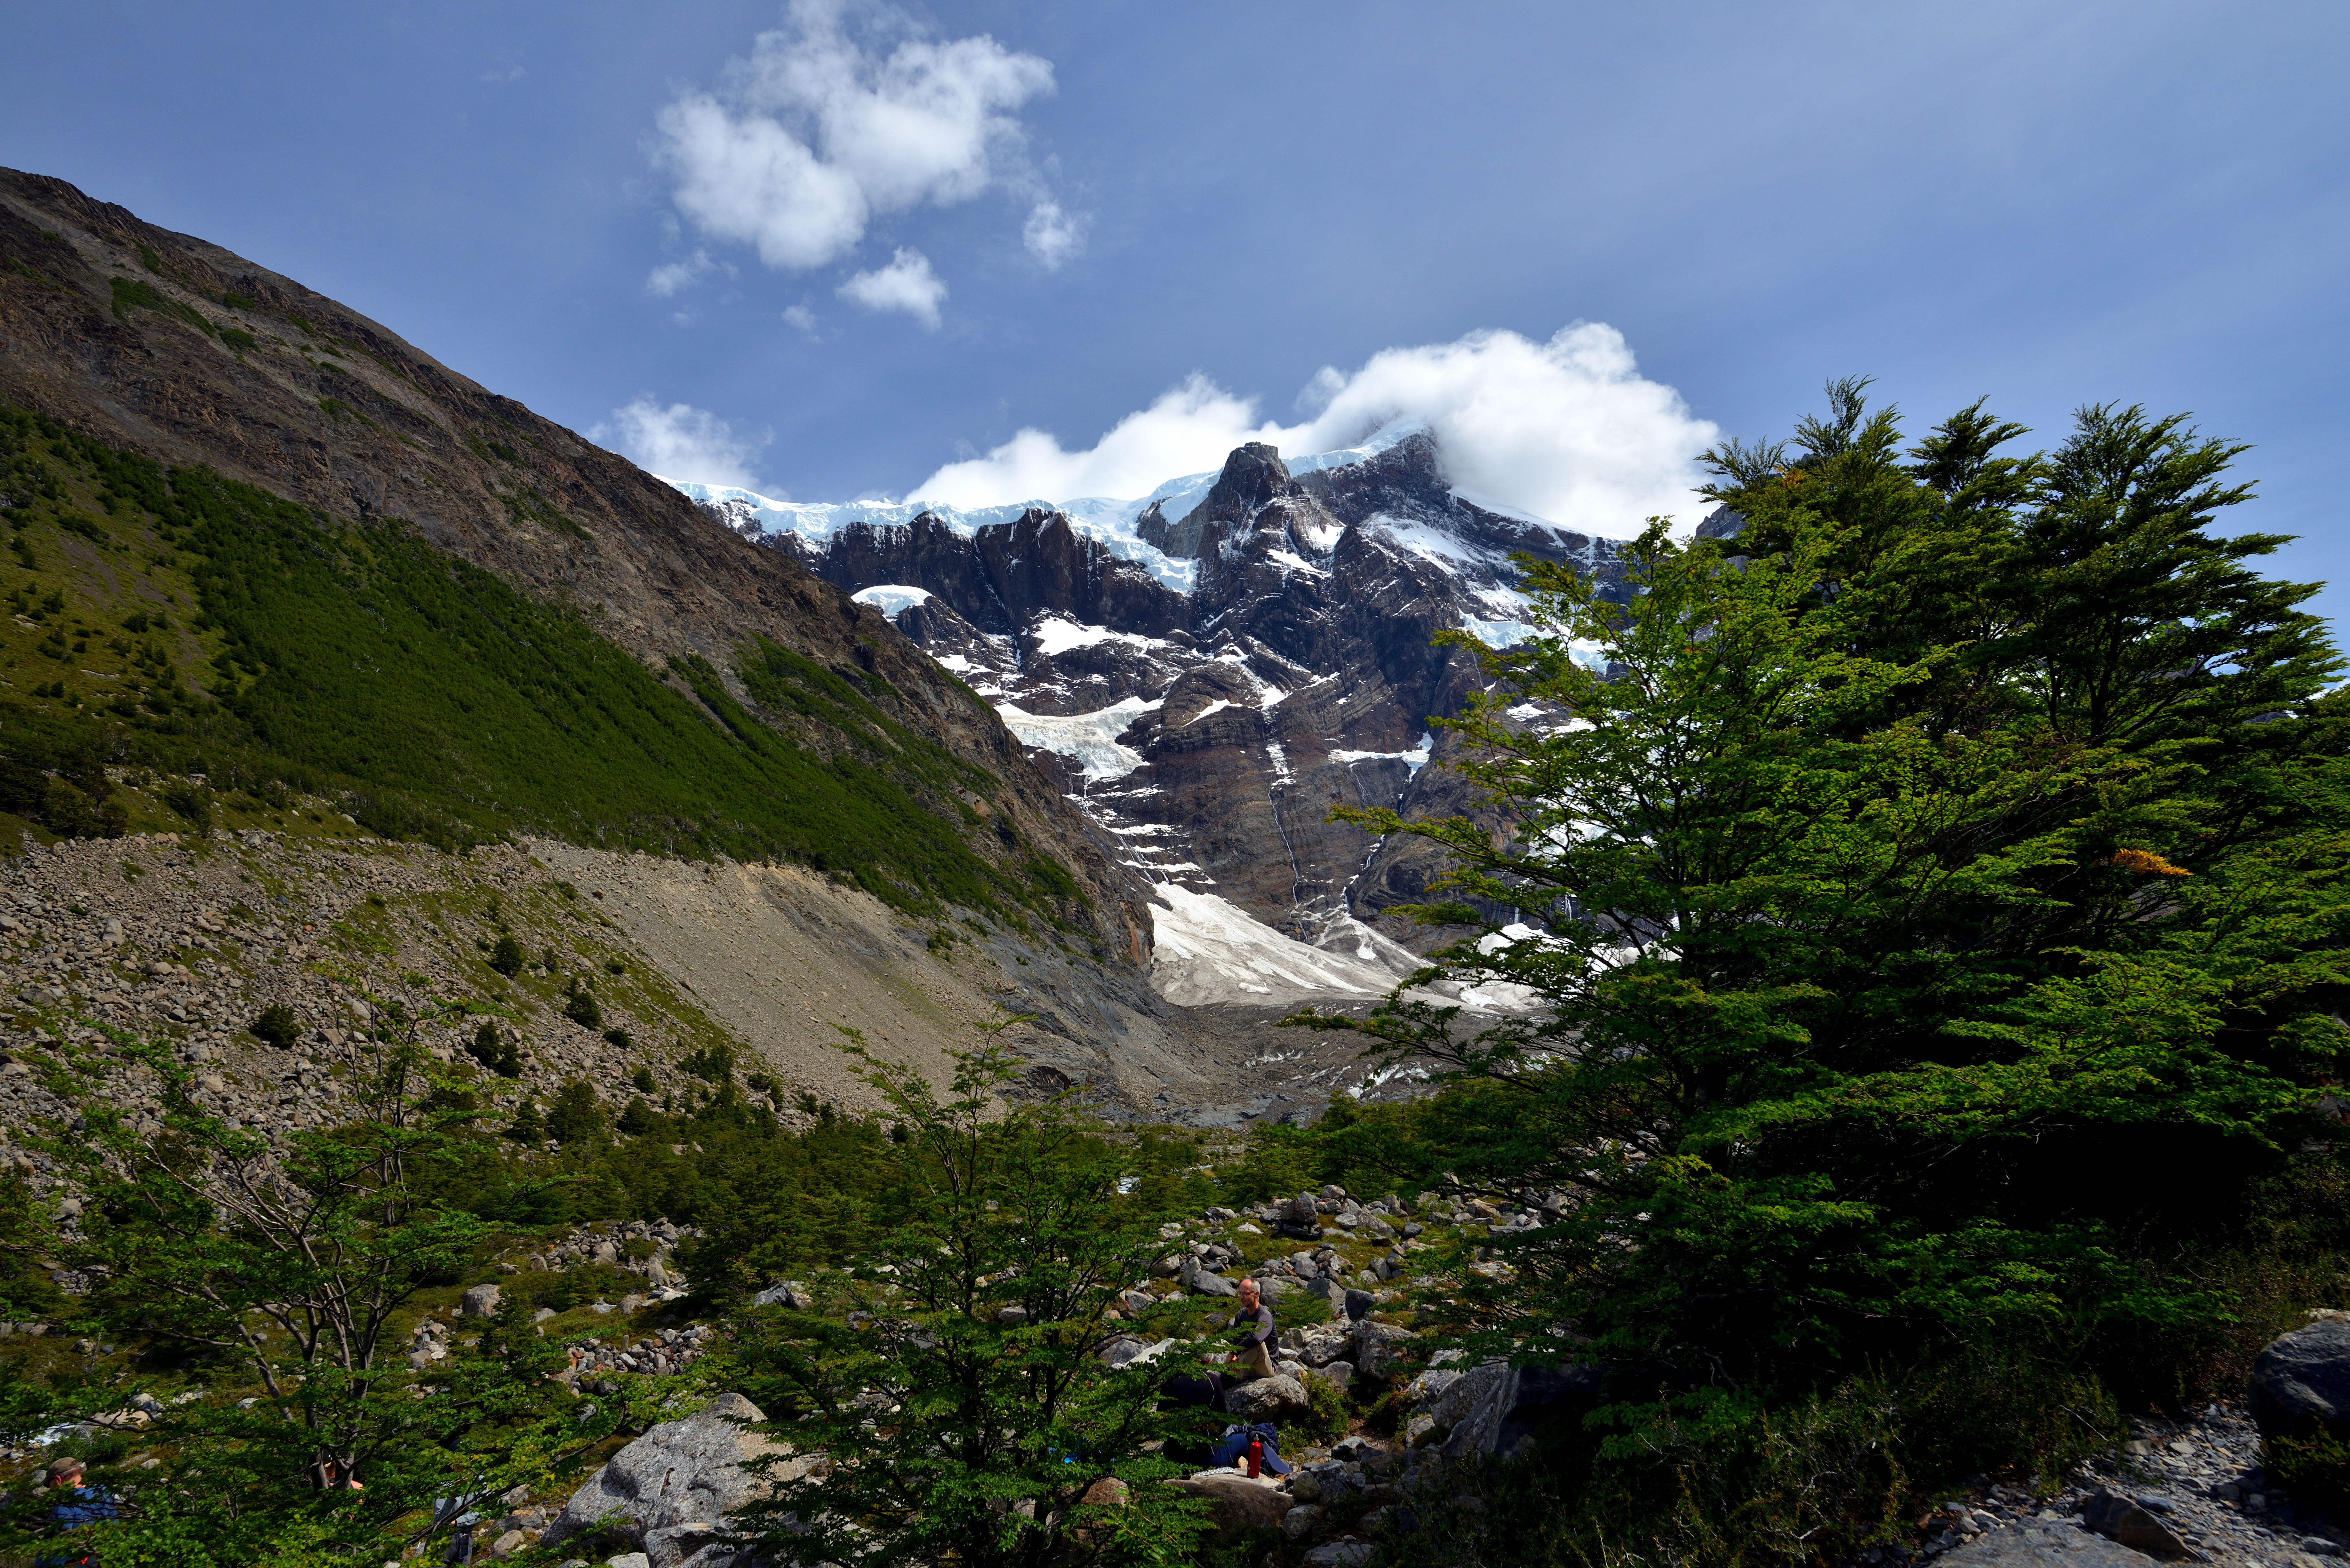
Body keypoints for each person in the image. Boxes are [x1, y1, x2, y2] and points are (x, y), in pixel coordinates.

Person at [36, 1456, 115, 1568]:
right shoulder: (103, 1492)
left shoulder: (64, 1504)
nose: (51, 1491)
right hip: (100, 1561)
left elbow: (61, 1546)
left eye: (51, 1485)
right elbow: (115, 1529)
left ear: (59, 1480)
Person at [1230, 1278, 1276, 1380]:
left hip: (1266, 1367)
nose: (1242, 1297)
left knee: (1258, 1345)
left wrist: (1235, 1352)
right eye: (1240, 1293)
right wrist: (1231, 1355)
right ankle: (1227, 1375)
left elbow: (1257, 1338)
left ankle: (1231, 1375)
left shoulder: (1265, 1316)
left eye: (1246, 1293)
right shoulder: (1241, 1315)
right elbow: (1237, 1339)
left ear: (1256, 1294)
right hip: (1249, 1366)